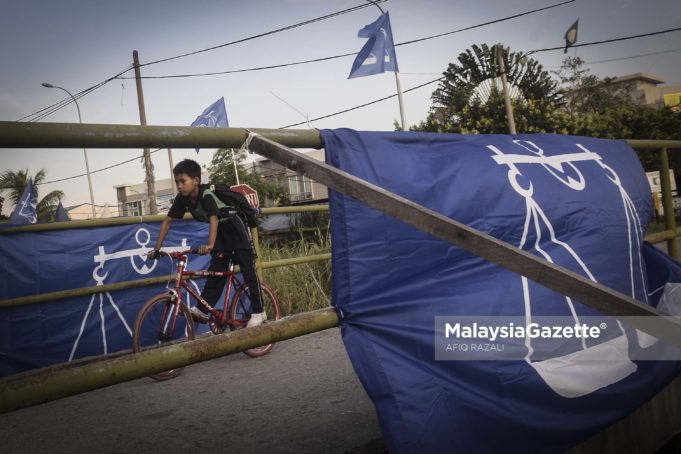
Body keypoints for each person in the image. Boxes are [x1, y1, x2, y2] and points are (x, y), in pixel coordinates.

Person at [147, 159, 266, 328]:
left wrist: (210, 245)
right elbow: (167, 222)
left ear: (196, 181)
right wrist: (156, 250)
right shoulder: (182, 199)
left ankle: (259, 311)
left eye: (183, 181)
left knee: (248, 270)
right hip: (220, 232)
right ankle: (203, 309)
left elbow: (213, 218)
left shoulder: (206, 195)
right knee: (216, 272)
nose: (179, 186)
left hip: (235, 225)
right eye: (177, 182)